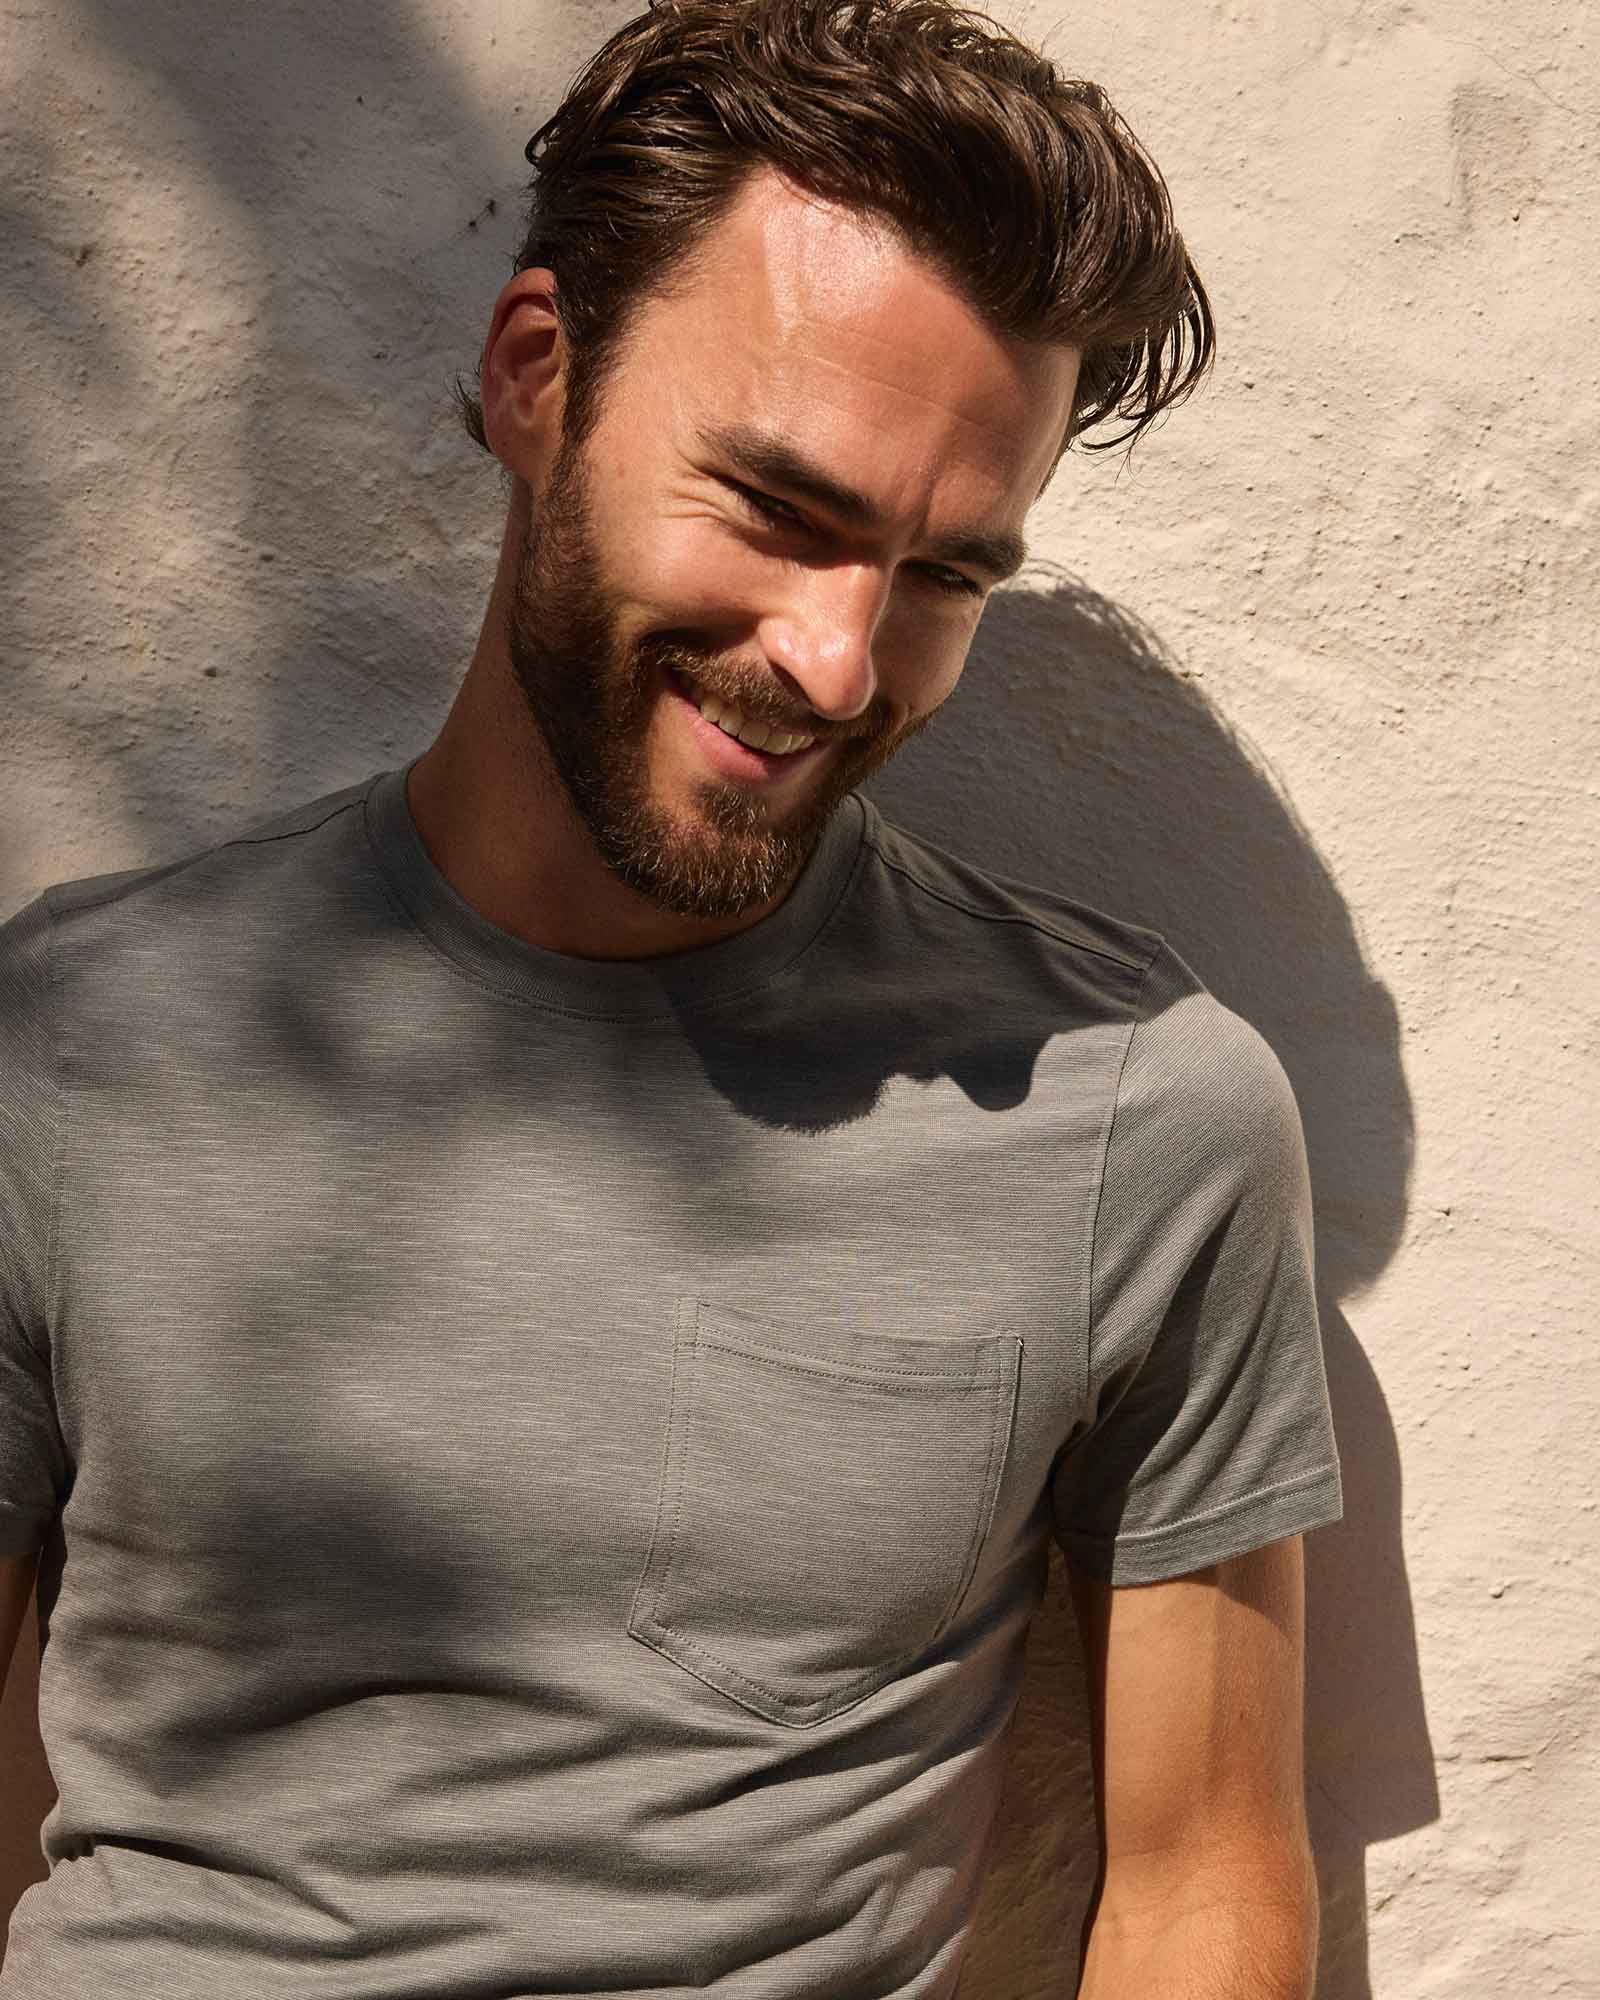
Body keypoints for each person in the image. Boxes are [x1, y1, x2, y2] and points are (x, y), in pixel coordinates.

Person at [0, 1, 1343, 1994]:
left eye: (944, 574)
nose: (837, 659)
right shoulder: (65, 1051)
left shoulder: (1137, 1116)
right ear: (537, 377)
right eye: (784, 512)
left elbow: (1205, 1877)